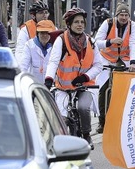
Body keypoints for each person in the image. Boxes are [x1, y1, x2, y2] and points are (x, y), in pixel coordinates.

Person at [44, 8, 103, 148]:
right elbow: (53, 62)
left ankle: (87, 135)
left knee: (83, 107)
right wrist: (48, 80)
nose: (80, 25)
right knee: (62, 119)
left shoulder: (90, 41)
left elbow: (98, 65)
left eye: (82, 22)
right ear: (69, 24)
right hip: (63, 88)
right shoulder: (61, 41)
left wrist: (85, 77)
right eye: (76, 22)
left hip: (85, 86)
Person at [93, 2, 135, 133]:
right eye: (121, 15)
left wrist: (133, 63)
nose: (124, 18)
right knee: (103, 89)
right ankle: (102, 121)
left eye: (126, 15)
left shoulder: (133, 26)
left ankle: (122, 120)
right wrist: (110, 42)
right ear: (116, 15)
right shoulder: (107, 23)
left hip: (123, 60)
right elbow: (96, 42)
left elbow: (134, 44)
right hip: (106, 59)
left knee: (124, 90)